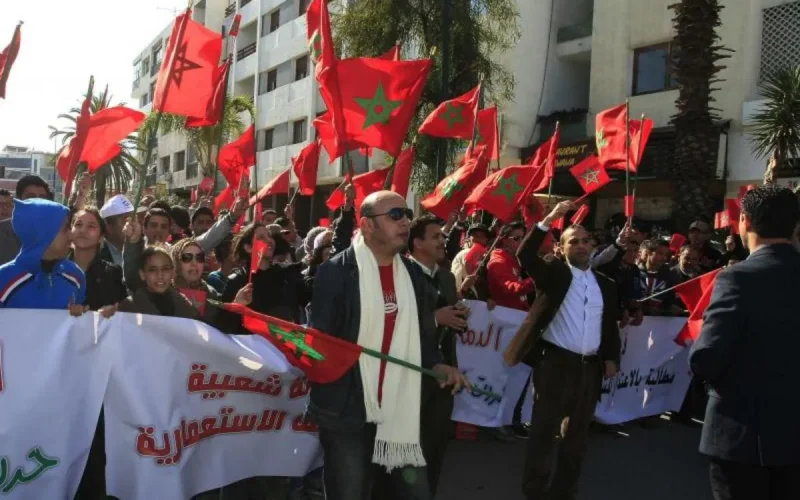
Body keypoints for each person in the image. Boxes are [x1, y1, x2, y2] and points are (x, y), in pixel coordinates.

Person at [308, 191, 467, 500]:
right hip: (347, 410)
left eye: (406, 214)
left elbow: (417, 334)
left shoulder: (411, 274)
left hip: (399, 406)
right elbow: (320, 341)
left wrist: (437, 363)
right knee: (350, 492)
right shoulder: (336, 273)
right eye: (395, 216)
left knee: (416, 493)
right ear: (367, 226)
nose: (405, 222)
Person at [504, 201, 621, 500]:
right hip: (554, 365)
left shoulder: (605, 285)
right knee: (543, 434)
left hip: (589, 370)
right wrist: (549, 219)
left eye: (585, 241)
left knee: (576, 439)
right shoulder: (554, 274)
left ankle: (564, 491)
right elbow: (525, 254)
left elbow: (608, 326)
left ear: (593, 245)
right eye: (573, 241)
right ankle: (535, 491)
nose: (581, 246)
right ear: (562, 247)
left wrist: (610, 358)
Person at [690, 185, 800, 500]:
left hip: (743, 438)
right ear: (794, 226)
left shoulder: (738, 277)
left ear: (745, 222)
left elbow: (707, 357)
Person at [406, 215, 465, 496]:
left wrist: (458, 316)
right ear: (417, 243)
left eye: (443, 236)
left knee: (436, 446)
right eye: (436, 236)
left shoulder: (446, 276)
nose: (443, 241)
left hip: (443, 376)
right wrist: (434, 318)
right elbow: (392, 325)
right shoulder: (401, 274)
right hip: (410, 374)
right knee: (408, 449)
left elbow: (449, 320)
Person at [0, 198, 86, 310]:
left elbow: (81, 322)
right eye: (66, 228)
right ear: (44, 234)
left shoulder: (75, 275)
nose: (72, 235)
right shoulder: (4, 279)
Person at [70, 207, 127, 313]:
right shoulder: (56, 271)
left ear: (101, 237)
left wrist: (112, 311)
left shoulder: (113, 274)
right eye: (78, 224)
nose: (82, 230)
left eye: (91, 226)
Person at [0, 175, 54, 266]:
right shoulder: (2, 232)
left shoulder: (55, 234)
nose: (37, 201)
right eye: (31, 197)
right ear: (19, 201)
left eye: (42, 197)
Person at [487, 222, 535, 312]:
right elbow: (509, 288)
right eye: (516, 239)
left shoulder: (515, 258)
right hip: (506, 316)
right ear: (505, 240)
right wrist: (536, 279)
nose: (521, 242)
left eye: (523, 238)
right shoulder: (498, 262)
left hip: (519, 313)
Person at [98, 194, 135, 266]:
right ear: (109, 227)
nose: (131, 224)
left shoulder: (140, 251)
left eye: (132, 219)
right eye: (126, 220)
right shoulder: (96, 256)